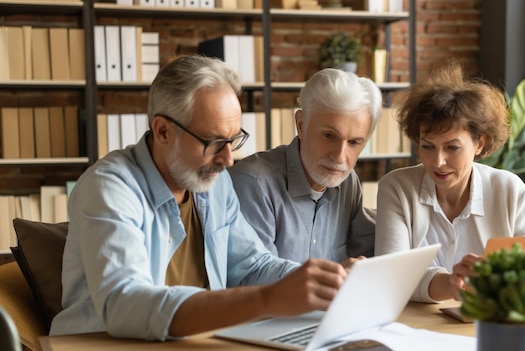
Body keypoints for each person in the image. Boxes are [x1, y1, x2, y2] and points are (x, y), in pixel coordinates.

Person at [49, 56, 347, 340]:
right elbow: (125, 304)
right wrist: (266, 300)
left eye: (232, 140)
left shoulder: (214, 183)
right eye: (214, 142)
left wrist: (323, 281)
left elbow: (251, 266)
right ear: (163, 131)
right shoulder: (110, 188)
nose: (229, 159)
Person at [375, 61, 525, 303]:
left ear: (479, 143)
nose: (438, 161)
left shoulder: (509, 190)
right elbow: (391, 275)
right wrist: (451, 284)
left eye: (452, 147)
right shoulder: (397, 188)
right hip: (417, 327)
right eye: (427, 147)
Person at [228, 68, 381, 265]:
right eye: (329, 136)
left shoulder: (348, 183)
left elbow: (372, 250)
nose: (340, 157)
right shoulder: (253, 183)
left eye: (354, 142)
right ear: (301, 125)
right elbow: (255, 276)